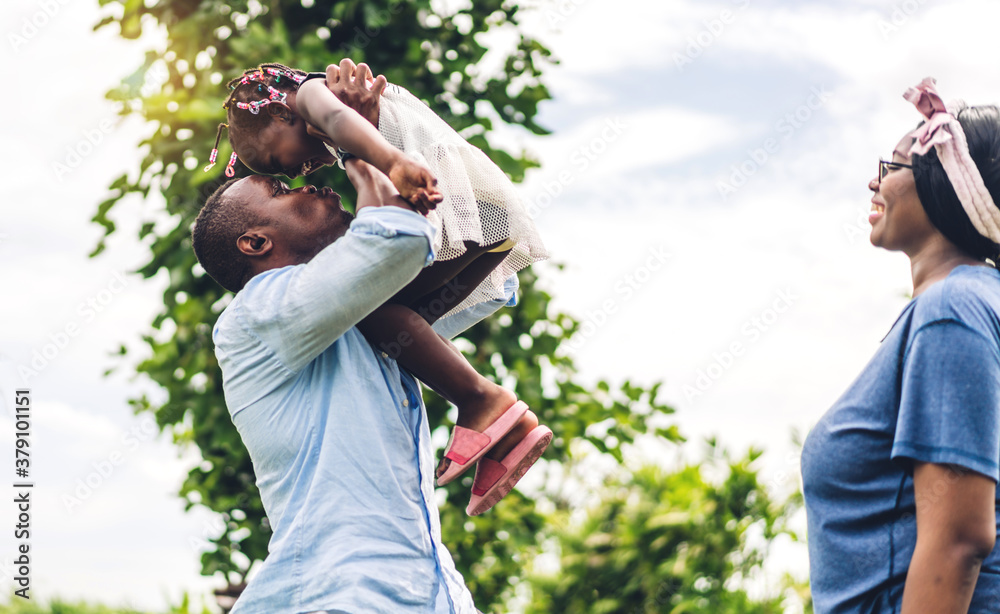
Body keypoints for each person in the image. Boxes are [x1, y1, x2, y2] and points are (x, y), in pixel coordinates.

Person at [206, 59, 550, 499]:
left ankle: (481, 400)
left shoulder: (317, 98)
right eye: (280, 181)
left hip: (450, 197)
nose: (294, 176)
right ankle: (508, 428)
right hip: (489, 223)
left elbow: (342, 125)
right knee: (391, 315)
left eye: (276, 167)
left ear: (280, 113)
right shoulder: (333, 135)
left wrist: (386, 161)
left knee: (369, 307)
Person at [192, 146, 508, 610]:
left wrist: (380, 122)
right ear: (256, 242)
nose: (311, 186)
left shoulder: (373, 317)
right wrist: (355, 150)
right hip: (339, 596)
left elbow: (490, 223)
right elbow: (393, 242)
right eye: (282, 190)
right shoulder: (257, 313)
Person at [801, 78, 1000, 613]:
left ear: (948, 181)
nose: (874, 181)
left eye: (892, 167)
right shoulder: (969, 305)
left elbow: (959, 541)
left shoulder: (952, 309)